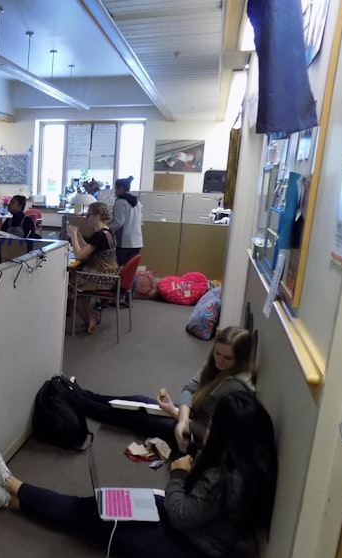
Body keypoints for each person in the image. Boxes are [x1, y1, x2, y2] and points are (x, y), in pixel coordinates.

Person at [0, 391, 278, 558]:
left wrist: (177, 474)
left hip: (182, 552)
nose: (207, 430)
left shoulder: (223, 478)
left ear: (228, 435)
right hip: (190, 534)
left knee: (88, 516)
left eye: (213, 426)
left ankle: (9, 482)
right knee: (100, 507)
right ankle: (9, 499)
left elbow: (181, 515)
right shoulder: (249, 463)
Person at [78, 326, 255, 453]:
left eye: (227, 358)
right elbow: (190, 388)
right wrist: (182, 417)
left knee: (132, 414)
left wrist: (177, 416)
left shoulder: (233, 389)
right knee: (137, 400)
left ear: (240, 359)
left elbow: (211, 437)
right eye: (217, 353)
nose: (220, 360)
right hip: (188, 418)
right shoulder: (217, 367)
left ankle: (75, 398)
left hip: (193, 437)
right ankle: (80, 393)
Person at [67, 202, 119, 334]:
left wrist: (73, 235)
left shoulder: (99, 236)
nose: (86, 218)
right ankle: (90, 316)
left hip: (103, 277)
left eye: (88, 215)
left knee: (72, 285)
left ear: (96, 216)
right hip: (111, 275)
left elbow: (79, 255)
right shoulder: (108, 232)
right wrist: (79, 236)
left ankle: (90, 317)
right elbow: (87, 250)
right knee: (76, 284)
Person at [109, 176, 143, 266]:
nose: (115, 191)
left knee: (118, 270)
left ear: (121, 188)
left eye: (116, 188)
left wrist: (105, 228)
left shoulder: (120, 202)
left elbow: (118, 223)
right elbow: (141, 222)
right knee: (130, 271)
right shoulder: (138, 203)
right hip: (137, 242)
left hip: (124, 243)